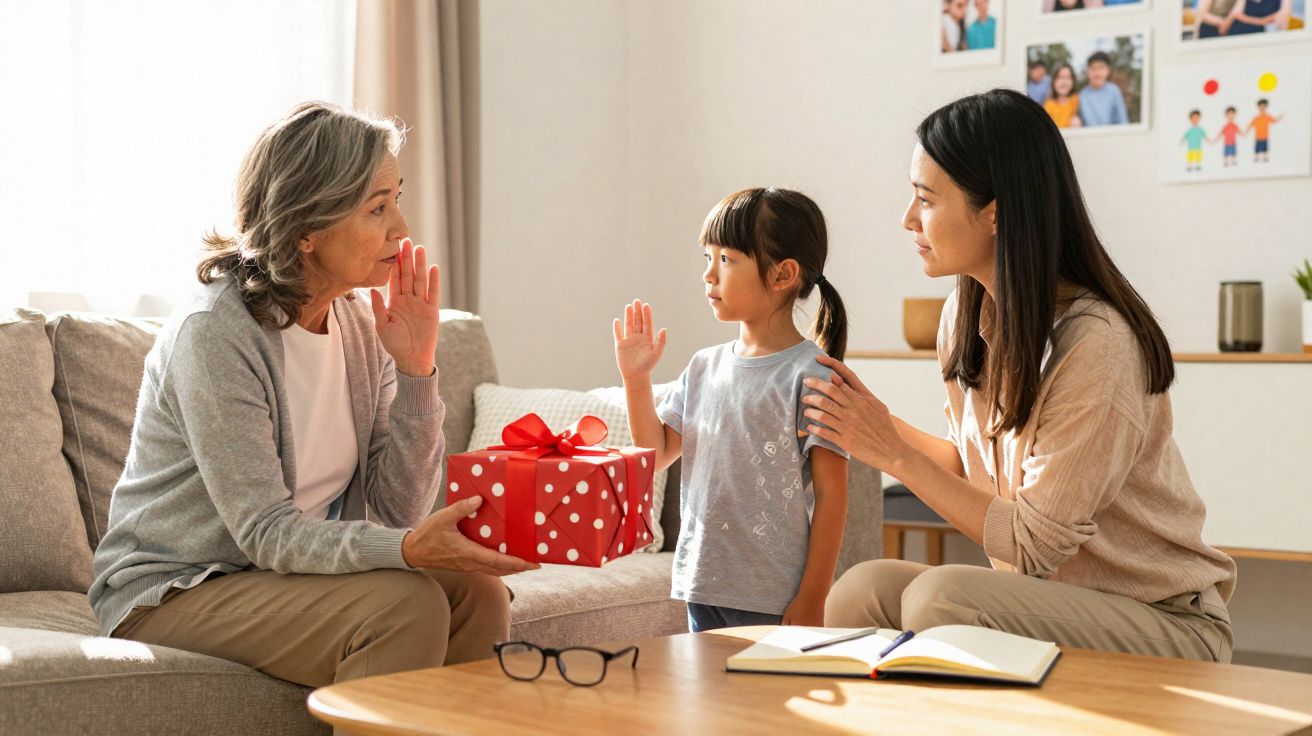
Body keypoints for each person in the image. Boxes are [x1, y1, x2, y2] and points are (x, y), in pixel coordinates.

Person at [89, 101, 538, 690]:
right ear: (306, 229)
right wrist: (406, 549)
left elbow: (399, 508)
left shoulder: (355, 322)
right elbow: (266, 531)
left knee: (480, 594)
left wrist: (417, 370)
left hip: (286, 575)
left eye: (396, 199)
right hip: (178, 588)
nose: (402, 228)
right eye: (378, 208)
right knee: (404, 604)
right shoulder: (215, 335)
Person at [808, 89, 1236, 662]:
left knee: (945, 598)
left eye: (926, 199)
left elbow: (1034, 546)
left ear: (994, 211)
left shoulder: (1098, 342)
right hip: (1049, 601)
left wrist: (894, 454)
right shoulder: (965, 316)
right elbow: (973, 472)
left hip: (1170, 625)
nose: (907, 218)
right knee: (860, 591)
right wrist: (867, 423)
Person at [613, 188, 850, 632]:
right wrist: (636, 380)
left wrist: (814, 596)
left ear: (782, 274)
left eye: (726, 259)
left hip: (773, 597)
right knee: (706, 702)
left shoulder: (812, 375)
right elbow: (653, 454)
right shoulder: (704, 366)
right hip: (701, 583)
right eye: (707, 257)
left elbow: (834, 498)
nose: (708, 274)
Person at [1077, 51, 1129, 127]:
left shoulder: (1114, 91)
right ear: (1088, 72)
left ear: (1108, 70)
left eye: (1101, 68)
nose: (1097, 73)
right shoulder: (1082, 95)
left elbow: (1123, 121)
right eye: (1093, 68)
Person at [1043, 64, 1082, 129]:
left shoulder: (1076, 99)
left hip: (1074, 137)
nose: (1064, 81)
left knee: (1076, 121)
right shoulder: (1049, 105)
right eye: (1060, 77)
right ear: (1053, 82)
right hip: (1056, 137)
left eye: (1068, 77)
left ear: (1073, 82)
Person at [1245, 98, 1283, 162]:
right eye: (1261, 106)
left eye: (1264, 106)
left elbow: (1274, 120)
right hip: (1257, 137)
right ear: (1258, 107)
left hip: (1265, 136)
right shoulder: (1256, 118)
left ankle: (1265, 158)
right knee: (1257, 148)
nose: (1262, 108)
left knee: (1265, 148)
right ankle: (1256, 158)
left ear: (1266, 107)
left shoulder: (1267, 116)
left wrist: (1280, 117)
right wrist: (1246, 132)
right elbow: (1250, 125)